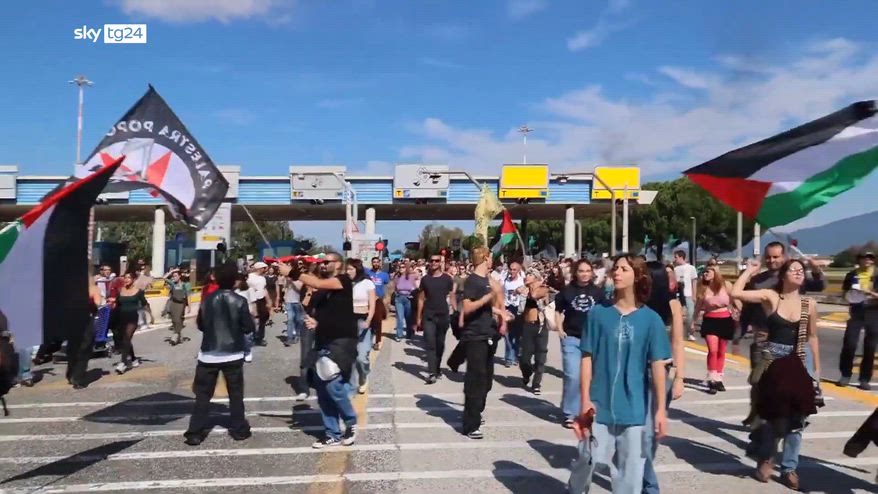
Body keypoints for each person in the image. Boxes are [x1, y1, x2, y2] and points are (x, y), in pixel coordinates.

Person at [569, 254, 671, 494]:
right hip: (598, 404)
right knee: (587, 459)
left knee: (631, 471)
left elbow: (658, 365)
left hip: (634, 407)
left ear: (638, 276)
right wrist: (584, 400)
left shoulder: (651, 320)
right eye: (615, 268)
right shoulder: (598, 313)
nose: (617, 273)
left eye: (624, 269)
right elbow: (587, 357)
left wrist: (660, 410)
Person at [731, 258, 821, 490]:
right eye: (793, 270)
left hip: (798, 361)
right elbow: (736, 293)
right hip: (772, 362)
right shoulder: (771, 297)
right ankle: (766, 458)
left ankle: (789, 468)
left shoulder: (809, 304)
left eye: (801, 270)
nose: (798, 272)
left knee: (798, 419)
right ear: (783, 275)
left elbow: (812, 337)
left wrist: (816, 371)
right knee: (771, 415)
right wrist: (749, 271)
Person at [184, 262, 254, 446]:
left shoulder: (207, 300)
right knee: (235, 394)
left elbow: (201, 325)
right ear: (233, 280)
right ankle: (239, 429)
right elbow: (248, 327)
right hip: (233, 353)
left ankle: (195, 433)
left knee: (203, 395)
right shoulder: (239, 300)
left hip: (208, 353)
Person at [299, 253, 359, 449]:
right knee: (322, 390)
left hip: (341, 341)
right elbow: (310, 306)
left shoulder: (343, 280)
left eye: (327, 262)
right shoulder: (322, 288)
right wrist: (314, 320)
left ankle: (351, 422)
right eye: (321, 262)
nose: (323, 265)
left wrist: (292, 272)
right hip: (323, 340)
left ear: (338, 264)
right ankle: (331, 433)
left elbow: (316, 282)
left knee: (334, 385)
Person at [642, 261, 687, 494]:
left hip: (660, 375)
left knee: (650, 435)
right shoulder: (634, 303)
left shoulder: (672, 305)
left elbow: (678, 342)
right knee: (637, 433)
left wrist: (680, 378)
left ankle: (643, 479)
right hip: (634, 372)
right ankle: (649, 486)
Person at [460, 247, 507, 440]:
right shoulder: (472, 281)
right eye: (491, 257)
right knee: (476, 379)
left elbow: (488, 307)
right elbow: (467, 307)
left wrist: (501, 314)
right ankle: (471, 424)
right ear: (485, 258)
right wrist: (487, 297)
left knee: (486, 380)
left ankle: (476, 411)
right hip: (475, 336)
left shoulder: (488, 281)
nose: (492, 261)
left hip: (489, 334)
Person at [554, 259, 606, 429]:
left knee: (592, 377)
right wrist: (560, 329)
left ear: (592, 273)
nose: (584, 274)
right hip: (571, 338)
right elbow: (558, 310)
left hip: (593, 340)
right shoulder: (567, 291)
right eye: (581, 271)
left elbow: (604, 314)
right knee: (573, 375)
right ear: (575, 273)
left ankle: (588, 409)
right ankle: (570, 413)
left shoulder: (598, 293)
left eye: (587, 271)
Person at [693, 266, 737, 394]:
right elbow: (698, 306)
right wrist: (693, 322)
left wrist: (739, 311)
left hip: (725, 320)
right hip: (710, 321)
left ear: (715, 272)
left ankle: (718, 378)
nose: (705, 273)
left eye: (708, 271)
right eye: (704, 272)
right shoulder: (703, 288)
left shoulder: (726, 285)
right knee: (713, 350)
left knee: (721, 351)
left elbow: (735, 299)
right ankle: (712, 378)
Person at [839, 251, 878, 390]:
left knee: (870, 347)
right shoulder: (851, 275)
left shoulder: (876, 274)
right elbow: (844, 294)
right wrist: (850, 296)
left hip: (873, 312)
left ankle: (864, 379)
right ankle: (845, 375)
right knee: (850, 344)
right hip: (856, 312)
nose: (867, 260)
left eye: (870, 258)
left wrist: (870, 293)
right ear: (859, 259)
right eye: (864, 257)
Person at [417, 254, 456, 384]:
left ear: (440, 263)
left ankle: (437, 368)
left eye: (436, 261)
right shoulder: (425, 279)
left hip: (443, 315)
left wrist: (456, 312)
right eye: (432, 260)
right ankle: (432, 372)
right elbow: (421, 299)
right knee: (430, 344)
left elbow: (452, 296)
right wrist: (418, 318)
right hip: (429, 316)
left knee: (440, 344)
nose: (434, 262)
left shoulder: (447, 279)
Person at [347, 259, 376, 394]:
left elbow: (372, 304)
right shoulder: (345, 283)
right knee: (349, 356)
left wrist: (369, 320)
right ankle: (350, 385)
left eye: (350, 269)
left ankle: (363, 377)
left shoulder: (367, 283)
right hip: (348, 321)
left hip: (363, 321)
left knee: (361, 357)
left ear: (357, 269)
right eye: (347, 269)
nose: (348, 272)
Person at [114, 271, 151, 374]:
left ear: (133, 280)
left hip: (132, 318)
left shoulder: (138, 291)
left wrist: (151, 316)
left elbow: (144, 303)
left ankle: (123, 363)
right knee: (126, 340)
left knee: (127, 338)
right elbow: (117, 304)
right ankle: (134, 359)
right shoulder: (120, 290)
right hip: (121, 317)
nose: (126, 280)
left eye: (129, 278)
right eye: (125, 278)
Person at [519, 270, 550, 395]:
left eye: (530, 275)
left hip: (541, 326)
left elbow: (535, 296)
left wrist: (534, 286)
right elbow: (517, 292)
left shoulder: (543, 289)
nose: (527, 276)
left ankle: (536, 384)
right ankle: (527, 374)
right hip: (527, 325)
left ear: (537, 278)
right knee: (524, 358)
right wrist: (523, 289)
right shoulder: (524, 289)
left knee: (540, 356)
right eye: (526, 274)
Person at [502, 261, 526, 368]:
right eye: (510, 269)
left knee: (517, 335)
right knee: (507, 335)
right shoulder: (505, 280)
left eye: (514, 269)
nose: (512, 271)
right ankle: (508, 358)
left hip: (518, 309)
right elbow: (502, 294)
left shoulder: (522, 281)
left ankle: (516, 356)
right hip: (508, 307)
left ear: (519, 270)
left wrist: (521, 290)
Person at [673, 250, 699, 341]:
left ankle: (689, 332)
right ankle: (679, 333)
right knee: (678, 315)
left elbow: (694, 281)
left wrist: (694, 294)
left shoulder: (691, 268)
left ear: (681, 257)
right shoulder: (675, 269)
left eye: (676, 257)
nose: (675, 259)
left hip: (688, 294)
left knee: (690, 314)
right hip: (678, 295)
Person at [366, 257, 390, 351]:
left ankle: (377, 341)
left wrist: (386, 301)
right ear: (371, 263)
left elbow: (387, 288)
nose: (375, 264)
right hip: (368, 299)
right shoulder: (368, 273)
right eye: (374, 262)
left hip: (379, 300)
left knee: (378, 321)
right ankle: (368, 340)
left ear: (380, 263)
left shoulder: (384, 275)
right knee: (369, 320)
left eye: (377, 262)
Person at [164, 268, 191, 346]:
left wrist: (189, 307)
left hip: (181, 304)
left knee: (178, 320)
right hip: (173, 303)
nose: (174, 277)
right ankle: (178, 336)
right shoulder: (173, 284)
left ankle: (175, 336)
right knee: (174, 320)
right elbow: (164, 278)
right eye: (173, 276)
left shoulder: (185, 285)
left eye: (175, 276)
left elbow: (188, 296)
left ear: (179, 276)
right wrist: (172, 271)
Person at [392, 263, 418, 342]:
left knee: (408, 317)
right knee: (400, 317)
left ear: (406, 268)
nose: (401, 268)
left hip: (408, 298)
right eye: (400, 267)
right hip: (399, 298)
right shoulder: (397, 277)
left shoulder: (411, 277)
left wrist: (413, 294)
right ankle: (399, 335)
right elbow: (394, 287)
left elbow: (416, 285)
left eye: (403, 267)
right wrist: (396, 294)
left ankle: (409, 333)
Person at [247, 262, 269, 346]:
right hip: (252, 299)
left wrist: (268, 300)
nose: (265, 270)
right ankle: (252, 336)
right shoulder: (250, 277)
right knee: (253, 318)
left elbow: (264, 289)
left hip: (261, 299)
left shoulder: (263, 278)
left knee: (264, 317)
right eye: (264, 268)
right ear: (259, 268)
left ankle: (260, 337)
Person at [283, 267, 305, 346]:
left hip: (297, 302)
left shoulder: (301, 281)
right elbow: (285, 289)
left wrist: (292, 282)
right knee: (290, 319)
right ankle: (289, 338)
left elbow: (299, 289)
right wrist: (284, 297)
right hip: (289, 302)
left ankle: (297, 335)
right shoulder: (288, 280)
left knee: (298, 320)